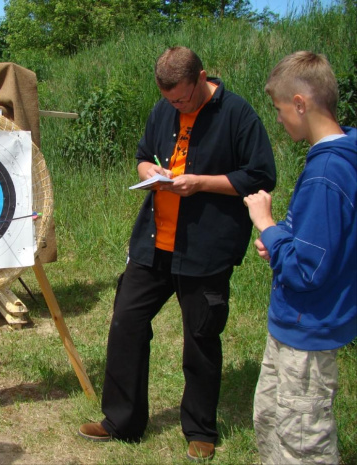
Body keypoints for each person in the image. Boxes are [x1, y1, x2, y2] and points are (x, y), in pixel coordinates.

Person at [77, 46, 276, 462]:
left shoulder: (238, 114)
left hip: (206, 249)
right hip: (152, 243)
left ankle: (201, 428)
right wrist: (147, 171)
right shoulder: (162, 110)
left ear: (202, 77)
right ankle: (121, 421)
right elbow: (142, 157)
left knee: (201, 337)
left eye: (182, 98)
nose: (176, 106)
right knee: (126, 324)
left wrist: (201, 183)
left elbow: (260, 176)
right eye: (169, 100)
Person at [244, 51, 356, 465]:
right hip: (297, 324)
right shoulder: (343, 156)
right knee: (273, 418)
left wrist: (266, 224)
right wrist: (279, 240)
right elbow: (326, 239)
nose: (278, 120)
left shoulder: (327, 173)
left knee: (302, 441)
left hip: (307, 326)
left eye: (278, 109)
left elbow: (308, 269)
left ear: (300, 104)